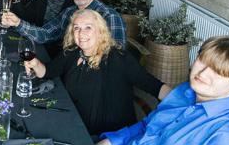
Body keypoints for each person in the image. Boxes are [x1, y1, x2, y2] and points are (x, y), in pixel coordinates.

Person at [96, 36, 229, 145]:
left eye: (219, 71)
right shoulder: (186, 91)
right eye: (202, 60)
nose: (203, 74)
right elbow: (147, 126)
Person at [25, 9, 170, 136]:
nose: (81, 33)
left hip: (106, 136)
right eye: (76, 28)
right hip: (75, 122)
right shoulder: (72, 53)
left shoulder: (118, 59)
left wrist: (182, 105)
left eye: (88, 27)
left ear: (100, 31)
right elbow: (47, 72)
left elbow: (154, 86)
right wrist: (35, 63)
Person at [2, 0, 126, 50]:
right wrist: (18, 23)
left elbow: (117, 58)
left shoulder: (109, 16)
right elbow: (45, 33)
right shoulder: (70, 12)